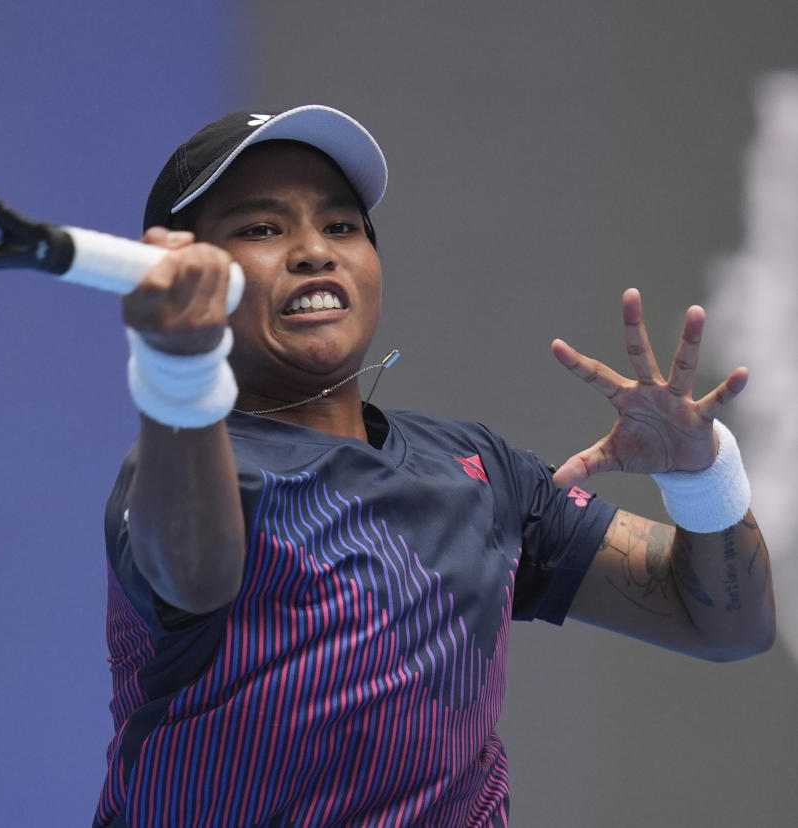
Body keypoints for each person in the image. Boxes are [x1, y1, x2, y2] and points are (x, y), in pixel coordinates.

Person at [93, 105, 774, 828]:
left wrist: (701, 475)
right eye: (260, 229)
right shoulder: (185, 472)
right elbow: (193, 571)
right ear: (184, 278)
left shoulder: (479, 470)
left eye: (341, 225)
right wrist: (178, 369)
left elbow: (723, 625)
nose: (313, 251)